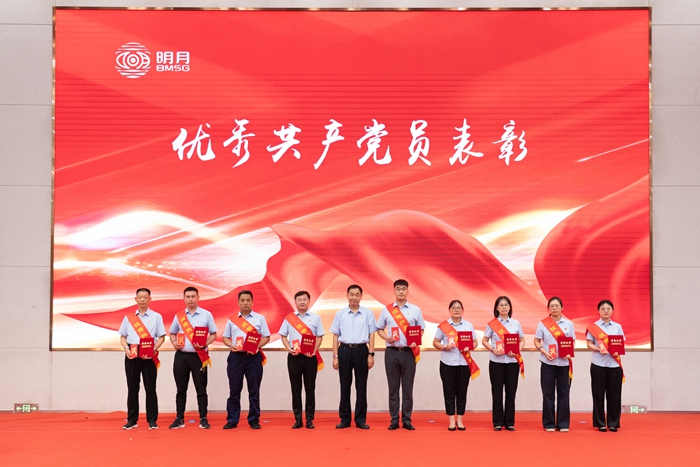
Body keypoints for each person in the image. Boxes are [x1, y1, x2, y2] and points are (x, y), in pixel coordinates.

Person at [376, 279, 425, 431]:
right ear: (394, 291)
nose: (401, 291)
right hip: (391, 352)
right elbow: (379, 329)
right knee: (393, 388)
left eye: (403, 289)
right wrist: (386, 338)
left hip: (409, 353)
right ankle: (394, 420)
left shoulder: (416, 310)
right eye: (398, 289)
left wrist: (416, 340)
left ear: (407, 291)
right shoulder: (387, 310)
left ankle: (407, 419)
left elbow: (421, 329)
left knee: (408, 389)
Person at [168, 286, 217, 429]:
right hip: (182, 356)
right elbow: (172, 333)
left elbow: (213, 334)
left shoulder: (206, 315)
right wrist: (174, 342)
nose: (190, 299)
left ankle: (203, 418)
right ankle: (179, 418)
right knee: (180, 389)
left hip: (199, 357)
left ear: (198, 297)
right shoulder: (179, 316)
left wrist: (205, 343)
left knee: (201, 389)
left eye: (193, 296)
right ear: (184, 298)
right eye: (188, 297)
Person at [118, 288, 166, 430]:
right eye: (140, 297)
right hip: (132, 355)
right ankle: (132, 419)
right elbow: (123, 337)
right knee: (132, 388)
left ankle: (152, 420)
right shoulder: (128, 317)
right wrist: (126, 348)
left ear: (150, 299)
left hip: (149, 355)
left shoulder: (156, 317)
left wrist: (153, 349)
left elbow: (161, 337)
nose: (143, 300)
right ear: (136, 299)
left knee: (150, 388)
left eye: (145, 297)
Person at [222, 290, 270, 430]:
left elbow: (266, 337)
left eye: (248, 300)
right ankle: (232, 419)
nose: (245, 303)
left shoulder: (260, 318)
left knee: (254, 391)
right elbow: (225, 337)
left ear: (252, 302)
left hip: (253, 358)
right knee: (234, 390)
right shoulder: (232, 320)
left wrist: (256, 346)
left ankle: (254, 419)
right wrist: (230, 345)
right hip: (236, 358)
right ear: (238, 302)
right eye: (242, 300)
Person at [330, 284, 377, 429]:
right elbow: (335, 336)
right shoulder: (340, 314)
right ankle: (344, 419)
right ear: (347, 295)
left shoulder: (368, 313)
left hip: (362, 350)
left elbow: (372, 335)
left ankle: (360, 419)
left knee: (361, 386)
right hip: (344, 350)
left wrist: (371, 354)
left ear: (361, 296)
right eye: (351, 294)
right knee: (344, 386)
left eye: (357, 294)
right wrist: (335, 356)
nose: (354, 297)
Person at [278, 290, 324, 429]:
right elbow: (283, 336)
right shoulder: (289, 318)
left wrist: (314, 350)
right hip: (294, 357)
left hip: (310, 358)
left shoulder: (315, 318)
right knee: (296, 389)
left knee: (310, 389)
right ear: (295, 302)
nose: (302, 302)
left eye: (304, 299)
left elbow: (319, 336)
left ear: (309, 301)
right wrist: (289, 348)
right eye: (299, 300)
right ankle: (298, 419)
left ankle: (310, 419)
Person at [432, 300, 479, 431]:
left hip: (464, 363)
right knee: (449, 392)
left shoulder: (468, 325)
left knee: (462, 392)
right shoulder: (444, 326)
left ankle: (460, 420)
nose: (456, 310)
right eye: (453, 308)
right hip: (447, 363)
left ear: (462, 310)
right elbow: (435, 342)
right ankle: (451, 420)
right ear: (449, 310)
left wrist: (470, 347)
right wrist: (444, 346)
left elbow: (475, 342)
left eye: (458, 308)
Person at [482, 295, 524, 431]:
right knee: (497, 392)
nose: (504, 307)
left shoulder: (516, 323)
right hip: (496, 362)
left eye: (506, 305)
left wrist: (517, 350)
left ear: (510, 307)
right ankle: (498, 422)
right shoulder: (492, 324)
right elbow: (484, 340)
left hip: (512, 362)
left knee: (511, 393)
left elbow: (522, 340)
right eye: (501, 305)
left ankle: (510, 422)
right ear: (496, 308)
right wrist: (492, 349)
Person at [534, 296, 576, 432]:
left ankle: (563, 424)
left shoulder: (569, 324)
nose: (554, 308)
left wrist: (569, 352)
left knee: (564, 393)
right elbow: (537, 341)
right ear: (548, 309)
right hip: (548, 362)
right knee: (548, 393)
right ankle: (549, 423)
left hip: (564, 364)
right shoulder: (543, 324)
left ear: (562, 308)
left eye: (557, 305)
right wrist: (544, 352)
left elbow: (572, 341)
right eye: (552, 306)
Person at [586, 299, 625, 432]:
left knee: (615, 395)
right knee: (598, 395)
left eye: (608, 308)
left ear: (612, 311)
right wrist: (599, 349)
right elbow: (589, 344)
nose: (606, 311)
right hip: (598, 364)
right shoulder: (593, 327)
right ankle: (600, 423)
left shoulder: (617, 327)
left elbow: (621, 343)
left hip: (614, 365)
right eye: (603, 309)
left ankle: (613, 423)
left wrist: (617, 350)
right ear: (598, 311)